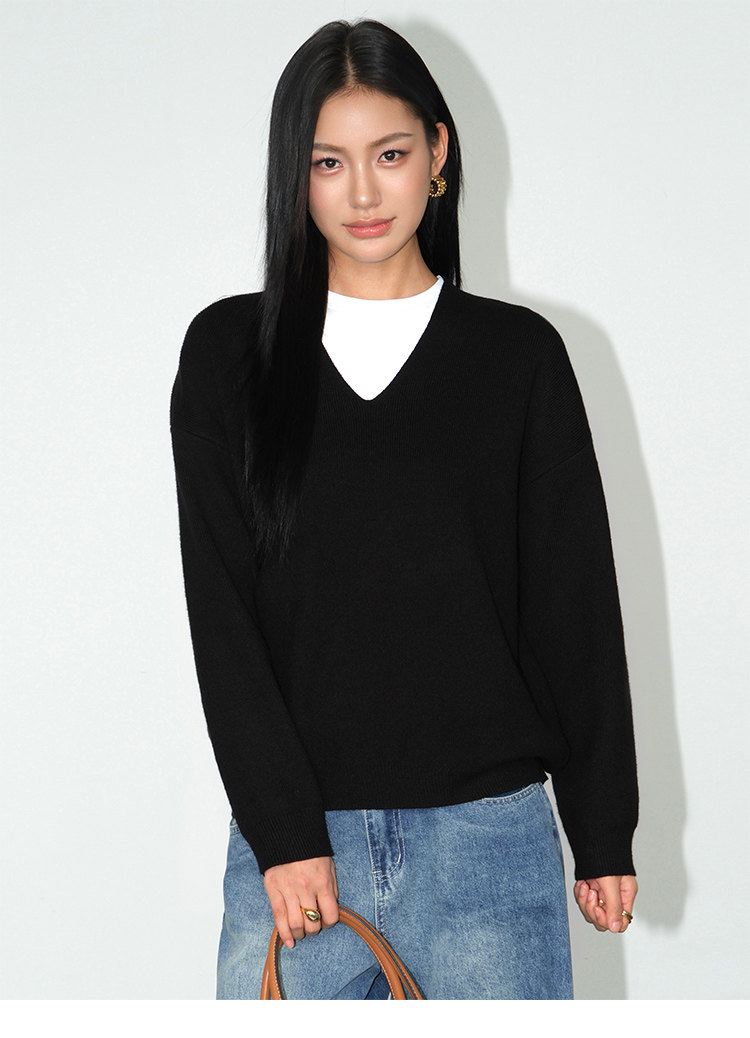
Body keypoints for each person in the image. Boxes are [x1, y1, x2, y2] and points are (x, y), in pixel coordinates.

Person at [169, 19, 639, 1000]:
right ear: (294, 175)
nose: (363, 193)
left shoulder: (517, 359)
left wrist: (603, 829)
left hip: (489, 846)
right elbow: (222, 615)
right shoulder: (228, 356)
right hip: (298, 859)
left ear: (437, 152)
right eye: (327, 162)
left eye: (388, 154)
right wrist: (284, 831)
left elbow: (573, 607)